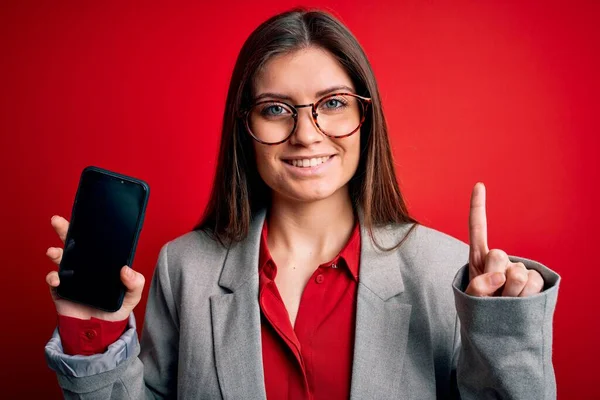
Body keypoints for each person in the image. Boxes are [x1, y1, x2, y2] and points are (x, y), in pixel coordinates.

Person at [44, 8, 560, 399]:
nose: (307, 134)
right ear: (244, 127)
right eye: (276, 109)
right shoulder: (186, 267)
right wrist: (94, 334)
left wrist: (505, 334)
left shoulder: (444, 273)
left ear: (366, 117)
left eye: (332, 103)